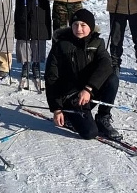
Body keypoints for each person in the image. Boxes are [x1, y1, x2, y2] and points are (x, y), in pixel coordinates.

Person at [45, 9, 121, 140]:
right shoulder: (61, 45)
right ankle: (70, 116)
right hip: (71, 96)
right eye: (75, 24)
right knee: (90, 133)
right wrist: (56, 108)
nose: (78, 28)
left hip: (87, 92)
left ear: (90, 27)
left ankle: (103, 117)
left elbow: (106, 65)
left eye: (83, 25)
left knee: (112, 79)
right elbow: (51, 78)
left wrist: (88, 88)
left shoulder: (97, 43)